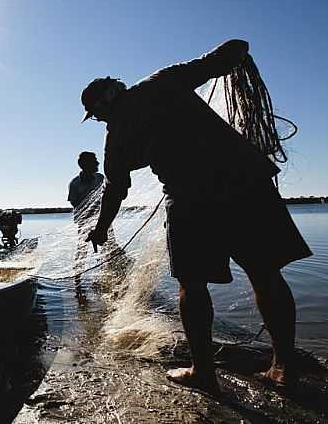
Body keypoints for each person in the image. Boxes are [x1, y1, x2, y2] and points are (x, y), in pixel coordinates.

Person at [80, 39, 312, 394]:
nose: (99, 120)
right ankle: (283, 367)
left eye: (96, 115)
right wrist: (236, 52)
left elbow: (115, 188)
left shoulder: (118, 135)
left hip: (192, 201)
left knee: (193, 284)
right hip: (247, 184)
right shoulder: (163, 81)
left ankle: (204, 373)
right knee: (265, 274)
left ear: (103, 104)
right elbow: (229, 52)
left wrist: (101, 229)